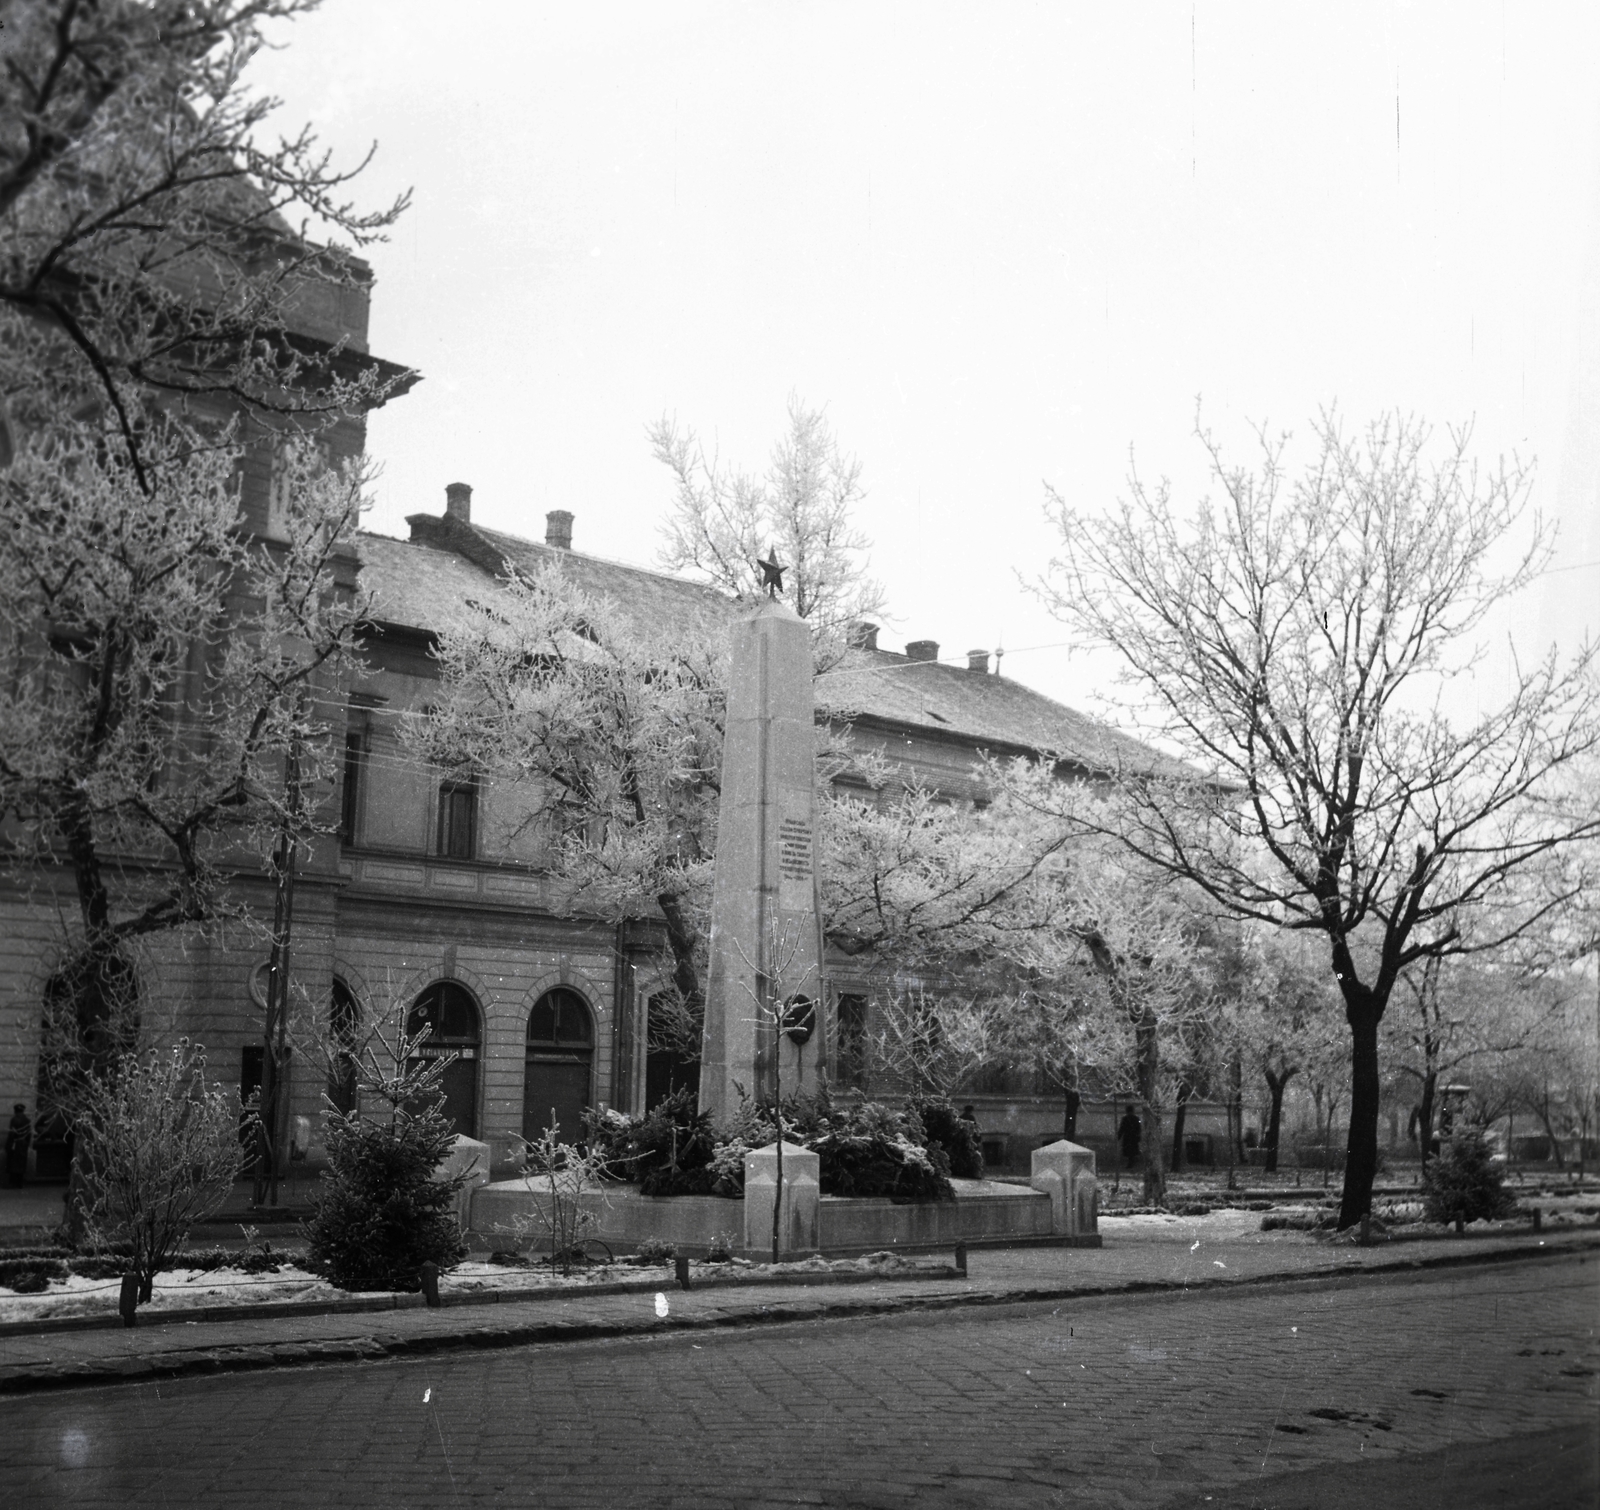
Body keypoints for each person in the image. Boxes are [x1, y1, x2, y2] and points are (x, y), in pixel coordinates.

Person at [5, 1104, 31, 1187]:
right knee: (21, 1163)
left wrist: (8, 1145)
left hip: (15, 1144)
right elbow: (29, 1134)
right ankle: (19, 1183)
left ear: (15, 1111)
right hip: (23, 1144)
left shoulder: (14, 1119)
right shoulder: (27, 1120)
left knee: (13, 1163)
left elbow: (11, 1134)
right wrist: (26, 1143)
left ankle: (12, 1183)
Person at [1117, 1106, 1142, 1170]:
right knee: (1133, 1150)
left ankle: (1131, 1163)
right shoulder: (1136, 1118)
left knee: (1128, 1150)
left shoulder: (1125, 1118)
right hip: (1134, 1137)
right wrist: (1138, 1137)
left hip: (1127, 1137)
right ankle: (1132, 1162)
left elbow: (1122, 1128)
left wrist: (1119, 1136)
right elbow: (1139, 1129)